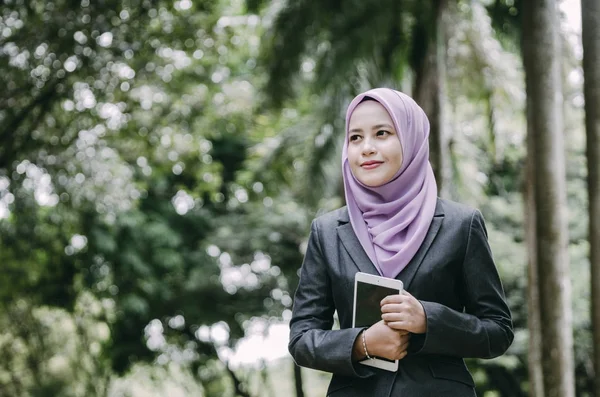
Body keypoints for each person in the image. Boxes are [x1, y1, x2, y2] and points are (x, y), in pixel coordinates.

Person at [288, 88, 514, 396]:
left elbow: (498, 331)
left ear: (411, 139)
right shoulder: (327, 232)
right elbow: (301, 339)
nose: (366, 148)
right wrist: (361, 344)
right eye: (355, 138)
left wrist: (428, 319)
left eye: (382, 133)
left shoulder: (461, 224)